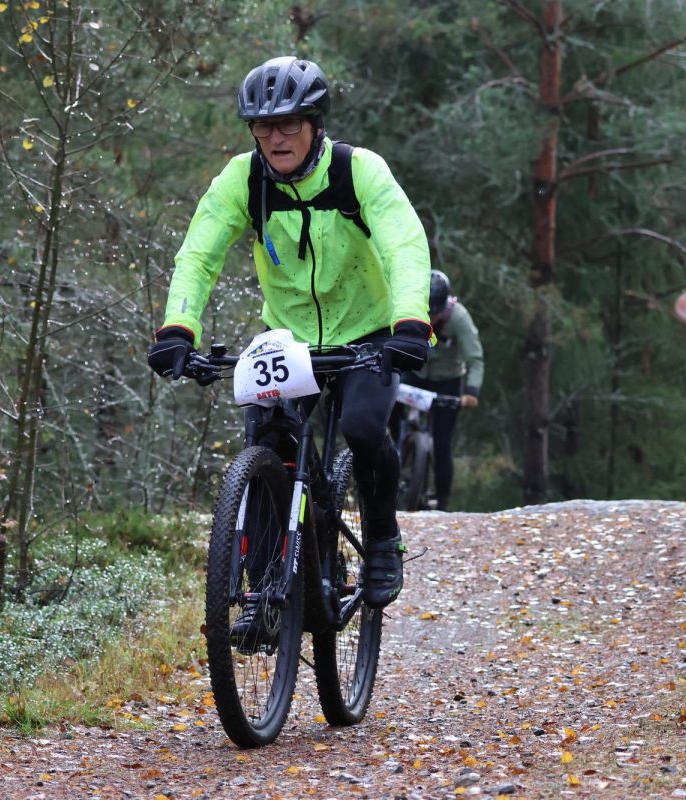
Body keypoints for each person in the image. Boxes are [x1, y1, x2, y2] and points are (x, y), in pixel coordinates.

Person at [146, 56, 432, 609]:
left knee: (363, 427)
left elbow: (403, 245)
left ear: (315, 125)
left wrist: (411, 323)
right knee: (267, 441)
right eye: (263, 127)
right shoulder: (244, 179)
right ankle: (261, 590)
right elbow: (199, 255)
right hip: (288, 338)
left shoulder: (359, 171)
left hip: (369, 332)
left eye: (288, 124)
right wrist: (178, 328)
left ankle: (381, 539)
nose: (275, 138)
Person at [400, 269, 484, 512]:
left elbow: (475, 358)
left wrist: (471, 392)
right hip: (415, 373)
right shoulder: (408, 311)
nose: (430, 318)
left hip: (447, 380)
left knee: (442, 443)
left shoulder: (459, 318)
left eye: (434, 313)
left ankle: (443, 501)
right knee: (388, 411)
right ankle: (394, 449)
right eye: (426, 313)